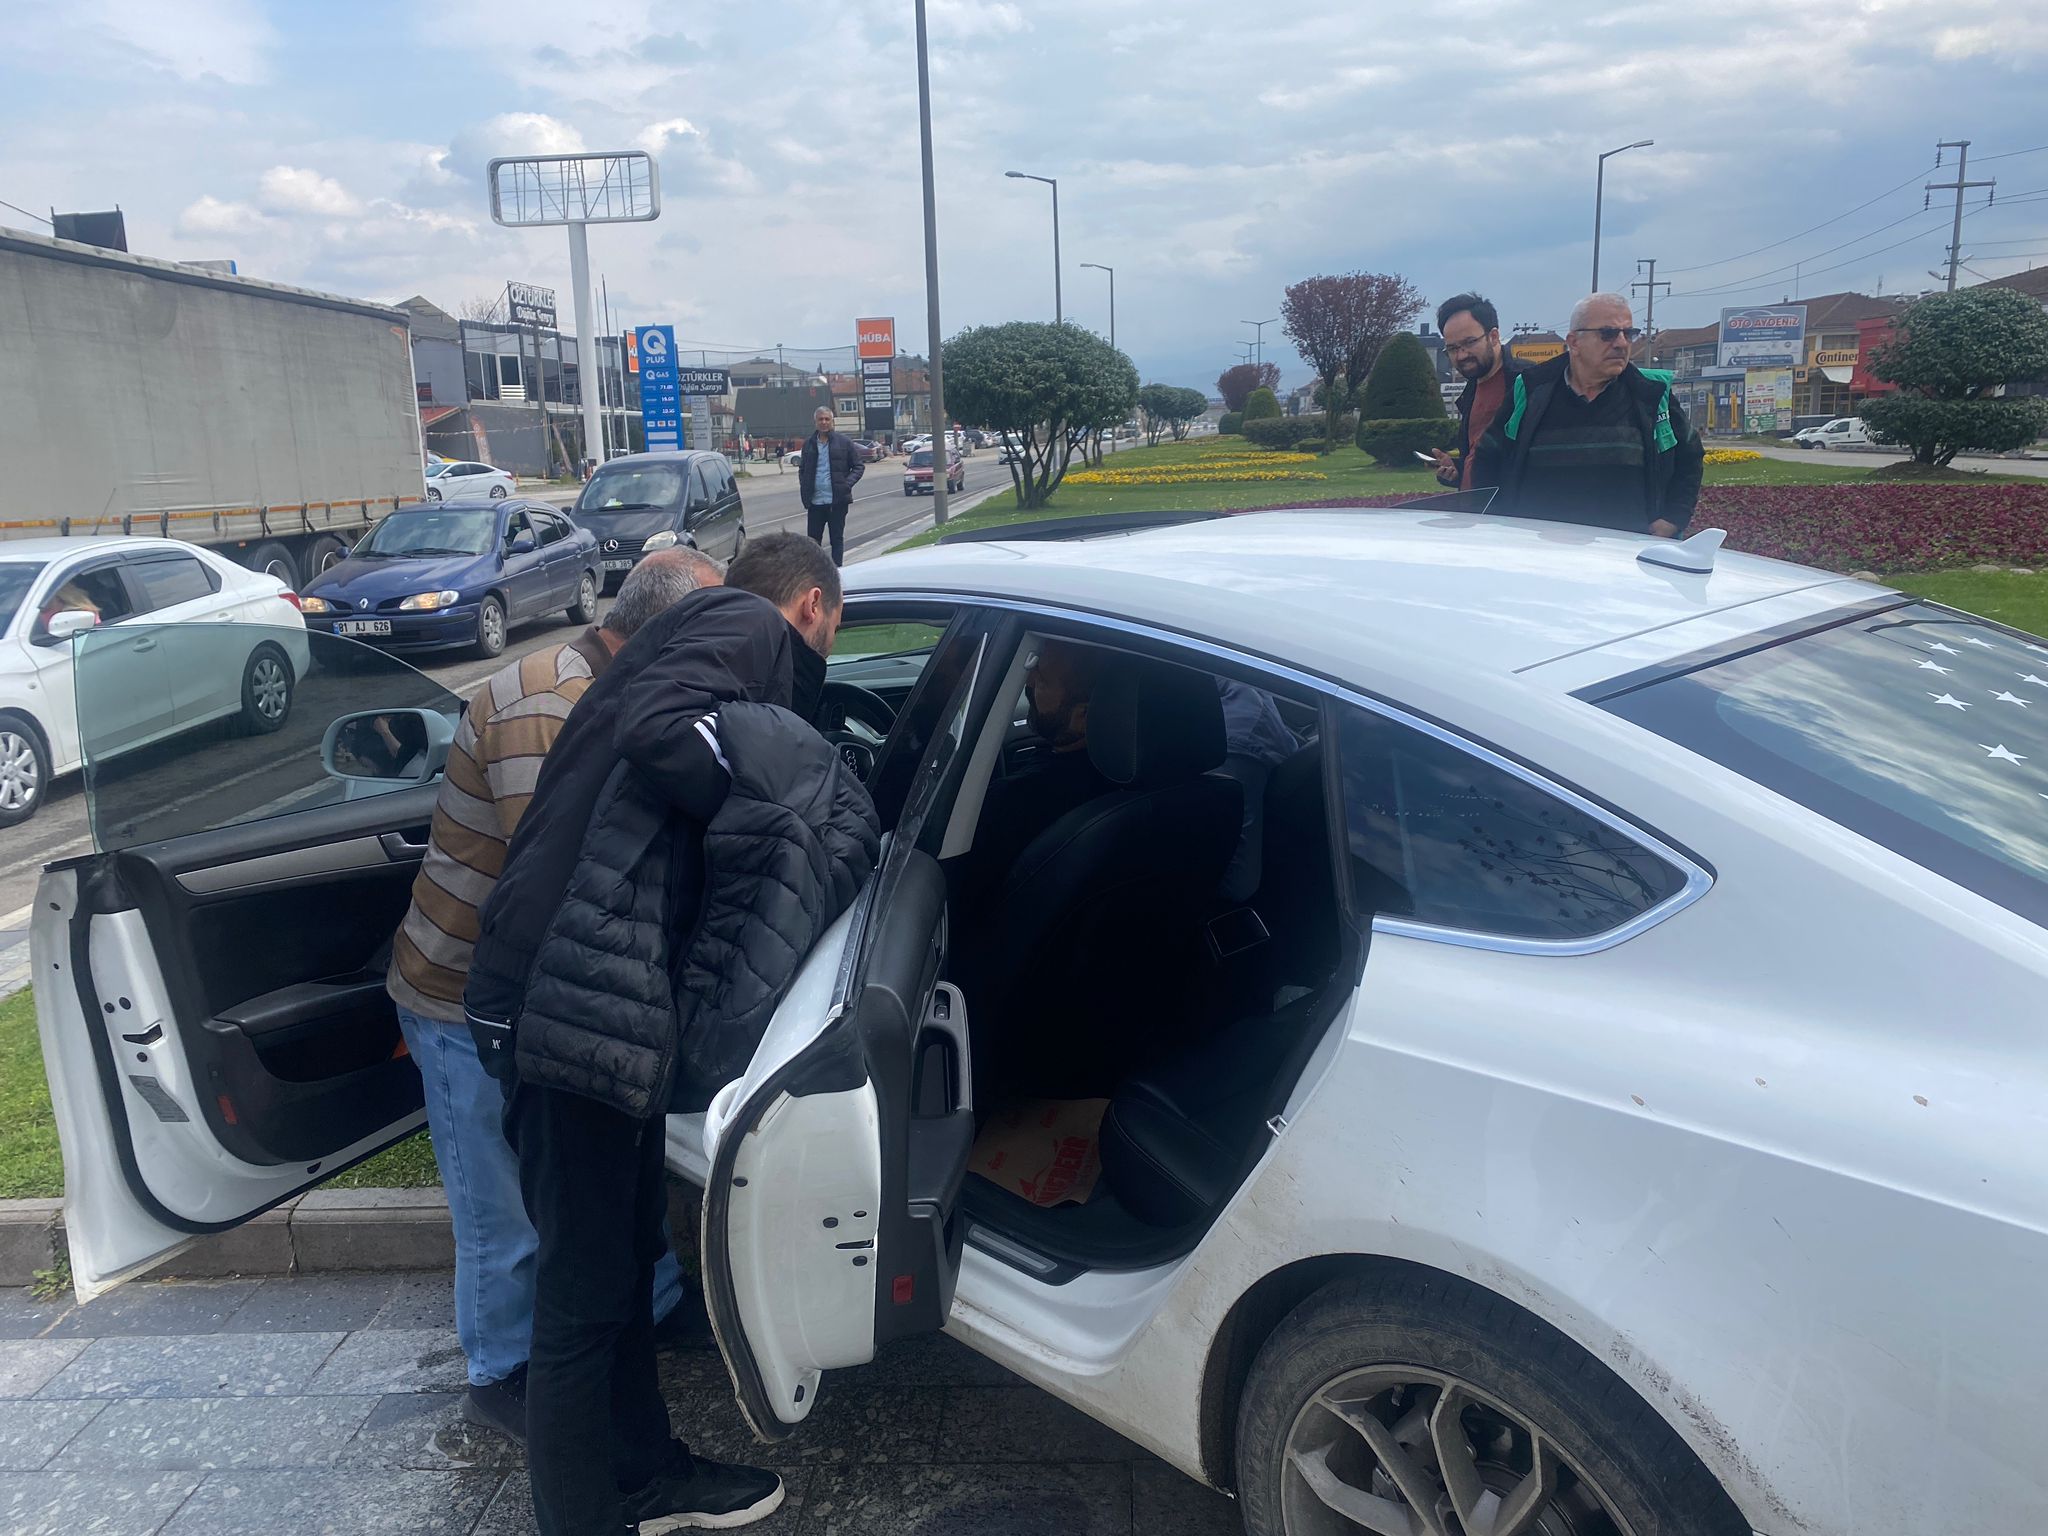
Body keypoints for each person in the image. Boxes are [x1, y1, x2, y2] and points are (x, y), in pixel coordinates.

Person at [465, 532, 878, 1536]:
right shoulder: (740, 621)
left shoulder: (692, 646)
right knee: (580, 1296)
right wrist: (769, 807)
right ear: (813, 606)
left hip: (596, 996)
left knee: (614, 1266)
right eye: (829, 629)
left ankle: (646, 1476)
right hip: (569, 998)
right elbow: (659, 729)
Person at [384, 548, 724, 1447]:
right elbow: (562, 873)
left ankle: (653, 1303)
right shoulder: (546, 703)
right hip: (465, 998)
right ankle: (501, 1371)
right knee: (501, 1204)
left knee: (612, 1170)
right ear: (666, 631)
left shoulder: (625, 690)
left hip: (560, 991)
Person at [1469, 293, 1704, 536]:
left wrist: (1673, 518)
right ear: (1574, 342)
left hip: (1625, 551)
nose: (1621, 343)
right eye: (1608, 333)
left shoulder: (1652, 393)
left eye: (1628, 333)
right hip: (1539, 550)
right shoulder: (1531, 389)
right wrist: (1496, 522)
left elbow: (1690, 456)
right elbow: (1488, 455)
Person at [1431, 293, 1527, 492]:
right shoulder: (1471, 391)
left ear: (1494, 337)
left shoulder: (1528, 382)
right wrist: (1457, 470)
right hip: (1474, 509)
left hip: (1511, 510)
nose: (1461, 355)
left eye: (1469, 343)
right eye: (1452, 348)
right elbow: (1480, 457)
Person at [799, 404, 864, 566]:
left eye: (827, 419)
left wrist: (846, 485)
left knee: (836, 539)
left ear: (832, 421)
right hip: (815, 502)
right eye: (820, 419)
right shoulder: (808, 444)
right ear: (815, 422)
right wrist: (805, 486)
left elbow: (858, 466)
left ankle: (838, 571)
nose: (824, 422)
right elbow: (803, 469)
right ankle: (815, 573)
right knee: (813, 543)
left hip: (837, 501)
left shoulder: (844, 442)